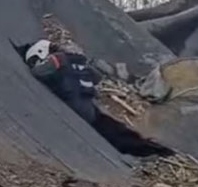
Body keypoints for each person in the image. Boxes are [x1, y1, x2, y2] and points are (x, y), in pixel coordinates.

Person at [22, 39, 170, 157]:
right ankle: (154, 150)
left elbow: (39, 72)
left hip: (77, 107)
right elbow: (95, 78)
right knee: (117, 132)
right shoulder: (77, 59)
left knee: (115, 135)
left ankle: (151, 150)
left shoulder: (57, 59)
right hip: (89, 106)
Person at [23, 39, 100, 123]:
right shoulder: (80, 61)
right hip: (90, 111)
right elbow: (96, 79)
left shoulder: (58, 58)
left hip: (74, 110)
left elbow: (37, 71)